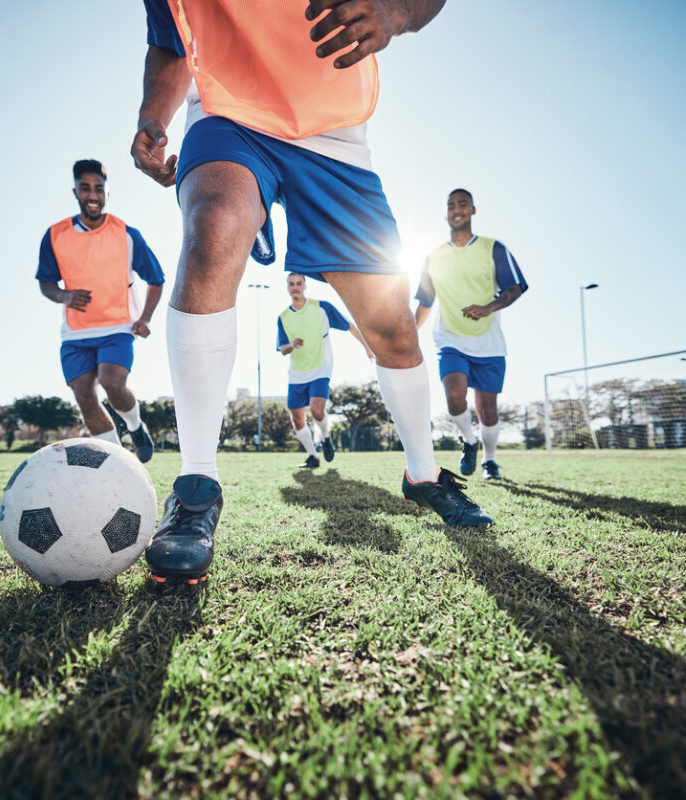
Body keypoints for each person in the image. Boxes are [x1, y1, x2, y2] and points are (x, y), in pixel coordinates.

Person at [132, 0, 493, 585]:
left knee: (394, 330)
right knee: (215, 226)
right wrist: (153, 116)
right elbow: (172, 38)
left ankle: (423, 475)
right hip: (228, 111)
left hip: (333, 132)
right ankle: (196, 486)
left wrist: (395, 12)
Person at [36, 159, 164, 462]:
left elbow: (156, 279)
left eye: (98, 188)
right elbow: (46, 282)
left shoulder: (126, 234)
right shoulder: (55, 235)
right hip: (76, 332)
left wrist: (144, 318)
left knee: (112, 382)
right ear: (75, 192)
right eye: (85, 188)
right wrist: (64, 295)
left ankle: (135, 424)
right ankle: (118, 463)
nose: (93, 195)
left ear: (105, 192)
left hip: (117, 326)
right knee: (84, 396)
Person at [415, 188, 528, 480]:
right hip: (450, 338)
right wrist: (408, 335)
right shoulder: (434, 257)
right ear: (445, 212)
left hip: (488, 342)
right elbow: (425, 303)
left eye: (463, 204)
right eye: (451, 205)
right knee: (454, 395)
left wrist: (489, 307)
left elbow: (514, 287)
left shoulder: (494, 248)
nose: (457, 209)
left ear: (473, 210)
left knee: (488, 410)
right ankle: (469, 440)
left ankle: (490, 460)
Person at [278, 272, 373, 468]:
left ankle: (326, 437)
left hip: (321, 367)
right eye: (291, 284)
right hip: (297, 372)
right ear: (288, 287)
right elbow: (282, 349)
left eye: (298, 283)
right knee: (297, 418)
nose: (295, 287)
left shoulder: (322, 308)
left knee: (316, 409)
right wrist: (292, 345)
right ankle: (312, 456)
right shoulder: (283, 317)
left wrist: (367, 347)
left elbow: (349, 326)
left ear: (305, 286)